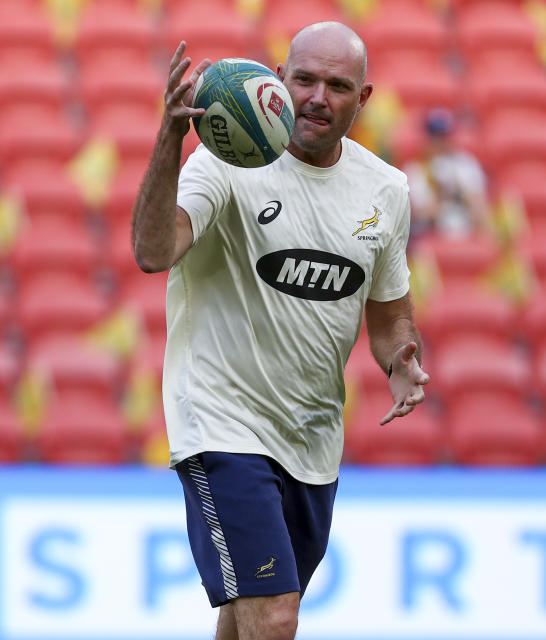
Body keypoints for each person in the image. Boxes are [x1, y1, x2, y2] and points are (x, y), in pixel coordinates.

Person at [131, 22, 430, 640]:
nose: (318, 96)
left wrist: (400, 361)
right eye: (305, 80)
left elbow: (389, 314)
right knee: (275, 612)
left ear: (364, 98)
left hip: (311, 437)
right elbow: (155, 251)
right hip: (221, 419)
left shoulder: (386, 189)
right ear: (279, 79)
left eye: (337, 85)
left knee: (244, 620)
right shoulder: (221, 165)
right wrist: (168, 140)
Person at [403, 108, 490, 238]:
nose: (439, 142)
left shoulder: (466, 164)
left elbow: (480, 210)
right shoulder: (415, 169)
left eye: (443, 136)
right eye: (434, 136)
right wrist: (443, 195)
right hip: (431, 234)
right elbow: (420, 213)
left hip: (467, 231)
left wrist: (459, 193)